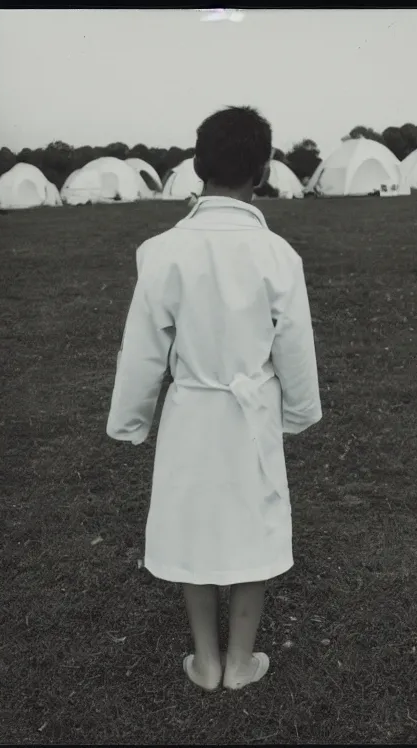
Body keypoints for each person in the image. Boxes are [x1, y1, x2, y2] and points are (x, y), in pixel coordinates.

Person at [106, 106, 322, 692]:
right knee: (255, 523)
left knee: (192, 522)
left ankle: (206, 660)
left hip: (192, 412)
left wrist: (130, 421)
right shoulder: (278, 254)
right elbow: (294, 349)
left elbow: (143, 350)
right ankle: (240, 660)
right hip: (252, 411)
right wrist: (299, 411)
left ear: (197, 164)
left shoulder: (162, 251)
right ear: (264, 169)